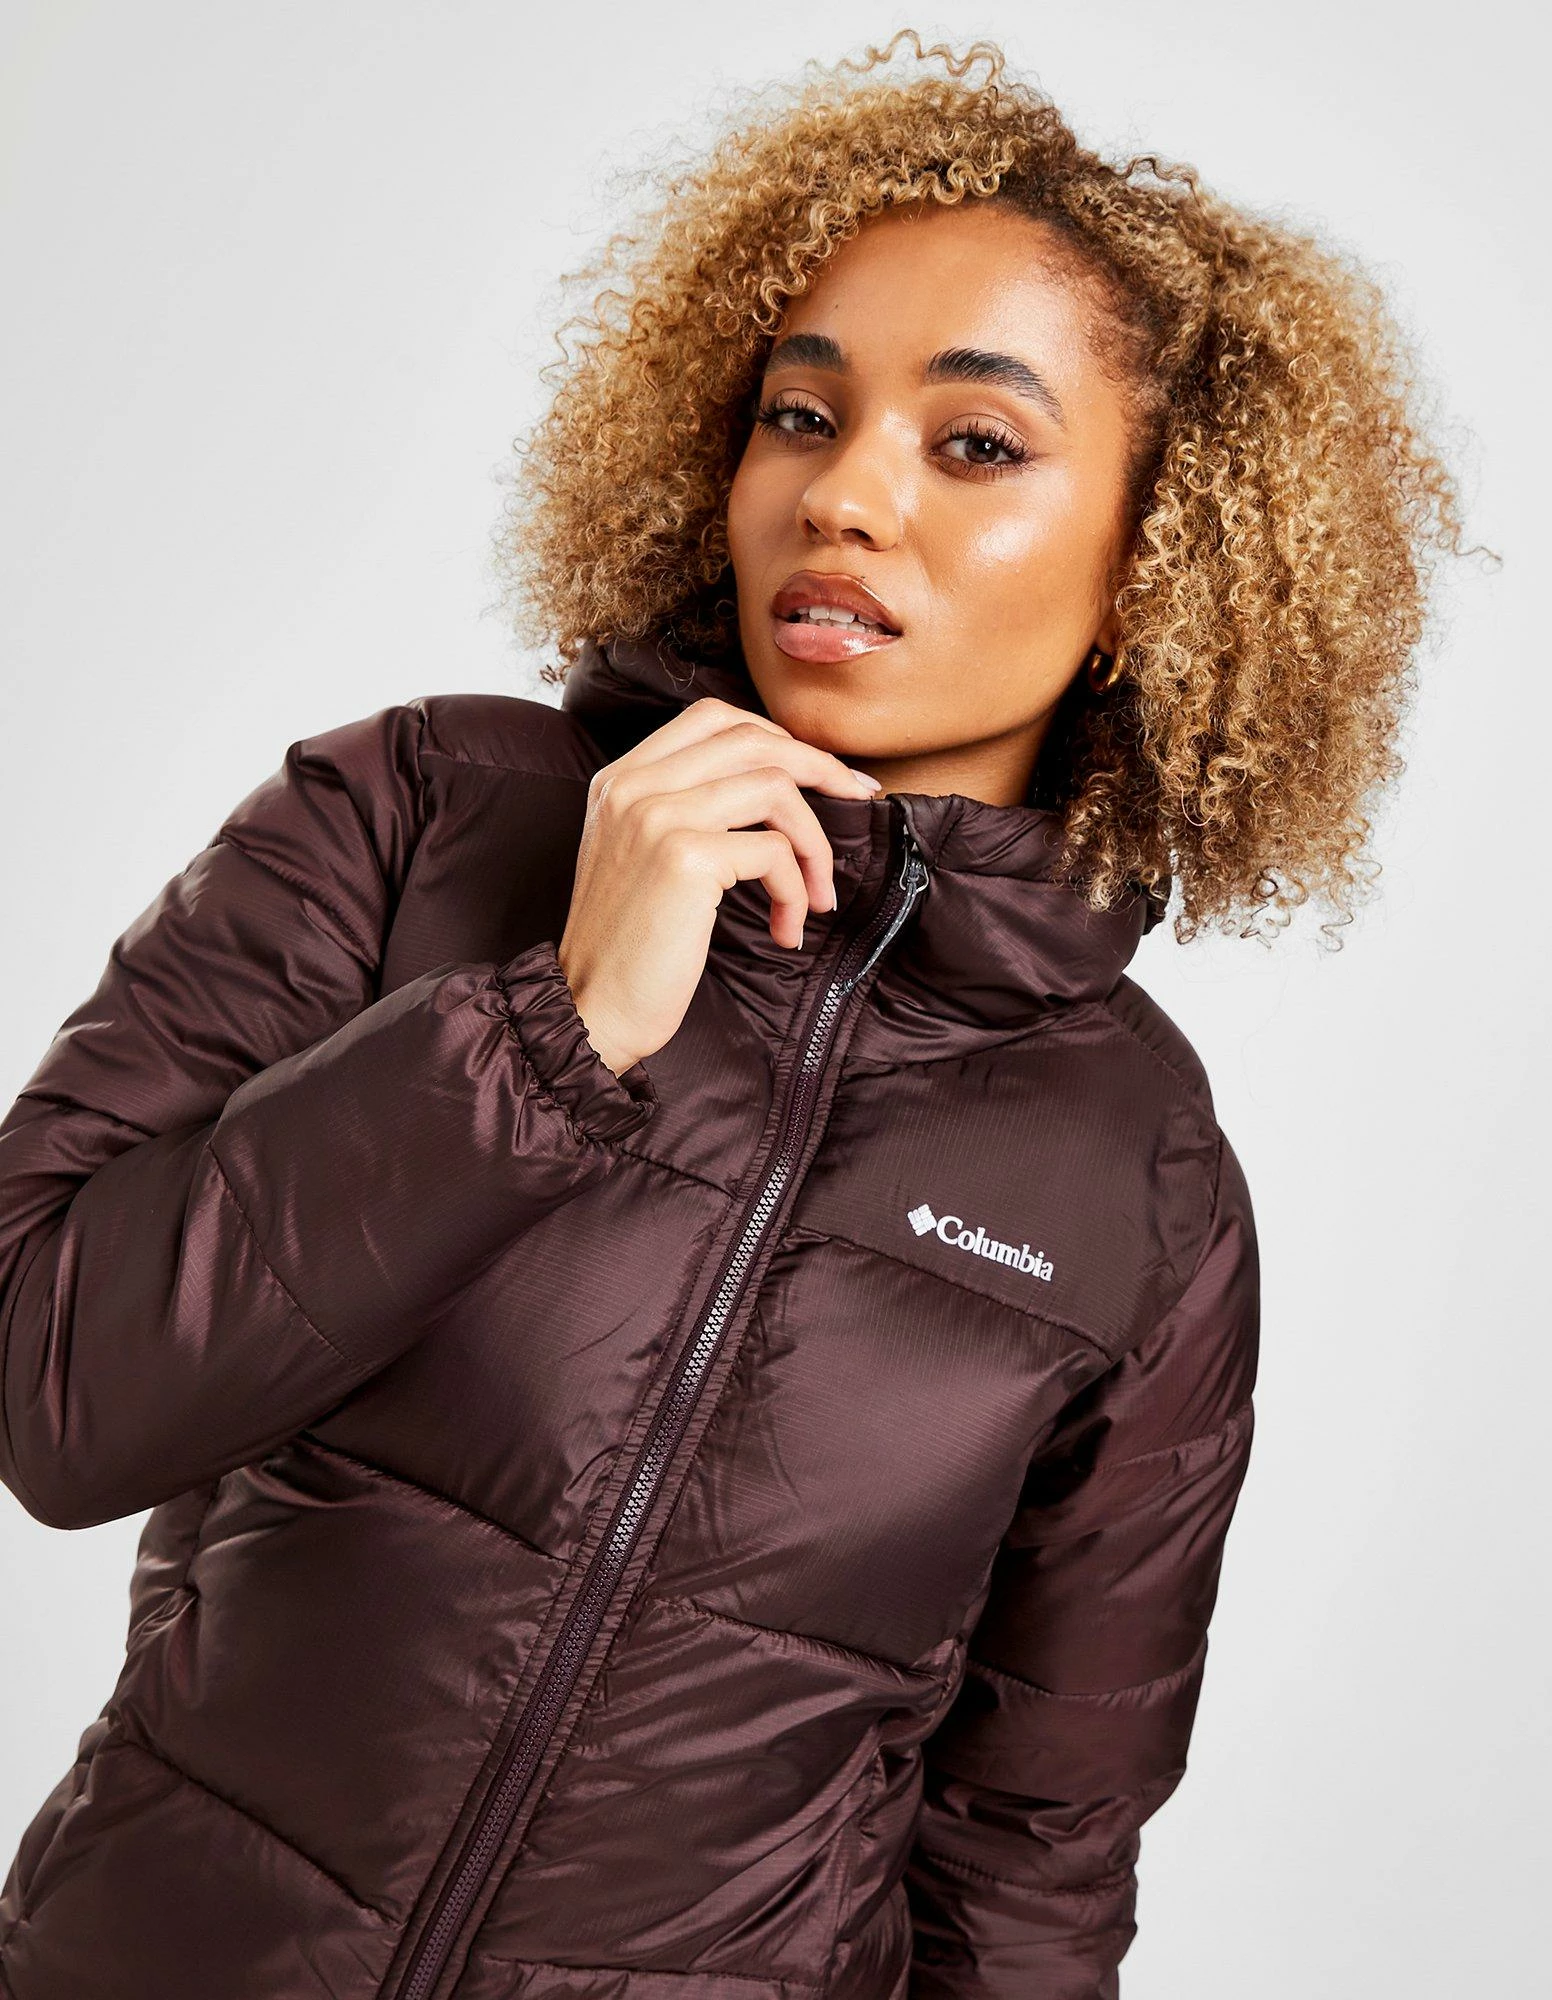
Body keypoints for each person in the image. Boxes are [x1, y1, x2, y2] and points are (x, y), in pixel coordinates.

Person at [0, 31, 1464, 2000]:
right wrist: (546, 1033)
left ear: (1153, 572)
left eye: (973, 442)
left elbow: (1033, 1862)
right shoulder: (413, 818)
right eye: (800, 413)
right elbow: (53, 1392)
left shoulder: (1144, 1177)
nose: (844, 494)